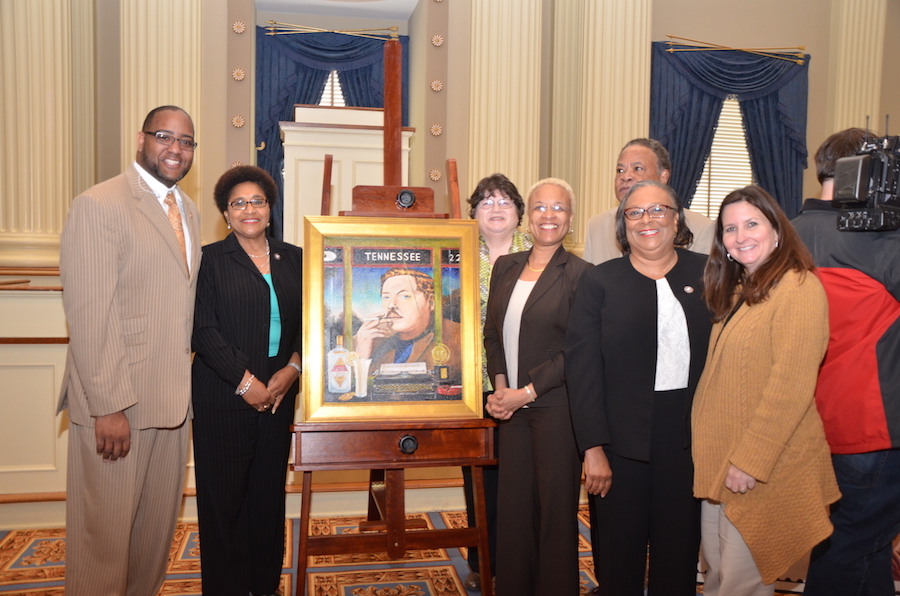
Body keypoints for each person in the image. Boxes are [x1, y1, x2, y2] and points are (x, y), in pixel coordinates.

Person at [57, 105, 200, 595]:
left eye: (185, 141)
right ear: (141, 140)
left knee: (151, 541)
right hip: (118, 407)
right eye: (165, 137)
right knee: (104, 545)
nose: (175, 149)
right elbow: (90, 315)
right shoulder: (99, 204)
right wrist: (108, 406)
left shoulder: (190, 211)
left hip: (171, 404)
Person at [565, 180, 712, 596]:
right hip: (616, 449)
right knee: (618, 563)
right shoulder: (599, 281)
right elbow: (583, 369)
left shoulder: (708, 272)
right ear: (623, 223)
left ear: (676, 218)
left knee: (678, 560)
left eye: (658, 210)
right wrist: (592, 448)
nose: (647, 220)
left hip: (688, 445)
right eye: (635, 213)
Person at [692, 185, 840, 595]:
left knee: (742, 586)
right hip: (723, 465)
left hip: (759, 468)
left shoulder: (798, 288)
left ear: (777, 229)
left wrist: (750, 461)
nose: (741, 236)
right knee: (719, 577)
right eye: (730, 228)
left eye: (752, 224)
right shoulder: (742, 290)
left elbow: (790, 387)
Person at [794, 128, 900, 596]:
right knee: (851, 549)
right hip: (877, 428)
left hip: (819, 425)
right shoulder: (880, 238)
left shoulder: (787, 232)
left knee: (861, 548)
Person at [190, 166, 302, 596]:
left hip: (278, 396)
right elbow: (203, 330)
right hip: (223, 397)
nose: (248, 209)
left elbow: (315, 324)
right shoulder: (209, 260)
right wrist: (244, 382)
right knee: (225, 504)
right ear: (225, 213)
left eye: (257, 201)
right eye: (238, 203)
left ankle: (265, 584)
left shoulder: (294, 257)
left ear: (270, 209)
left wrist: (292, 370)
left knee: (267, 498)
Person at [484, 178, 592, 596]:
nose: (549, 215)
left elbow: (577, 351)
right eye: (540, 207)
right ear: (528, 216)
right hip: (509, 410)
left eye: (559, 208)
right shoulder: (505, 267)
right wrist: (499, 390)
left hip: (555, 411)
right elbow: (492, 336)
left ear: (570, 218)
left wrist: (525, 392)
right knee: (512, 513)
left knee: (554, 515)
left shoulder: (583, 275)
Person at [461, 173, 532, 591]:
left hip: (527, 384)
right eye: (486, 201)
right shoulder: (458, 254)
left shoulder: (537, 254)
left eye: (505, 199)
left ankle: (522, 561)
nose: (496, 206)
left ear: (519, 213)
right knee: (480, 478)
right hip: (473, 384)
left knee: (523, 475)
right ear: (473, 214)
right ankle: (483, 560)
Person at [583, 138, 715, 265]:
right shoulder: (597, 225)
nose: (625, 177)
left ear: (663, 177)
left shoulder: (702, 228)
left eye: (637, 169)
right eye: (620, 170)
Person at [353, 268, 462, 379]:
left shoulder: (460, 336)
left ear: (430, 302)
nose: (391, 305)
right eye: (386, 297)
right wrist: (362, 356)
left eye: (404, 296)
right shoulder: (365, 338)